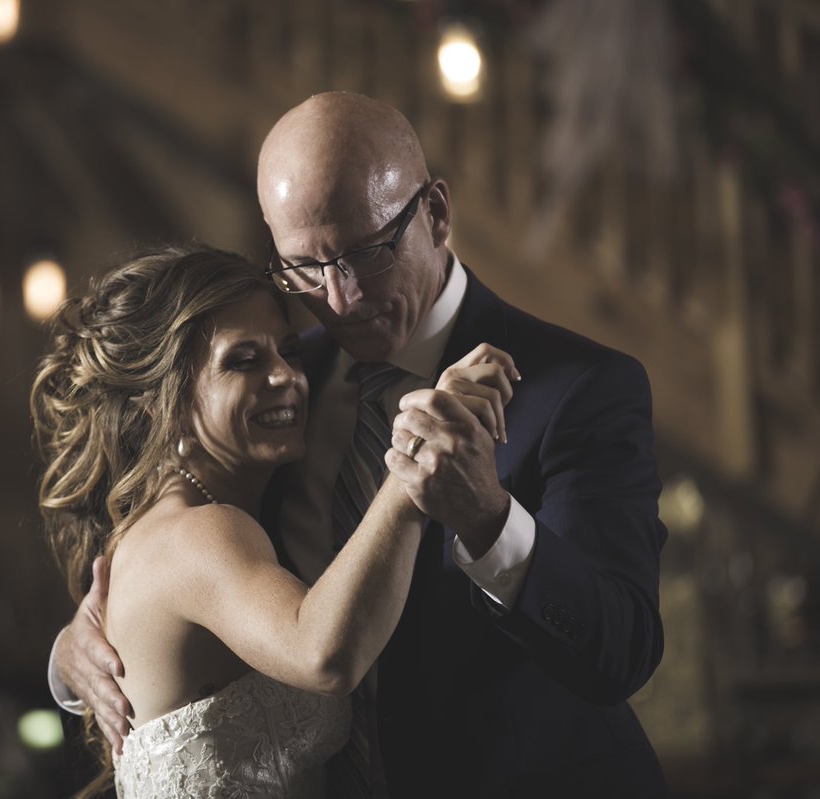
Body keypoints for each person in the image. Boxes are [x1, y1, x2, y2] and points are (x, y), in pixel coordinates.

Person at [51, 92, 668, 798]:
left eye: (366, 254)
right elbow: (194, 581)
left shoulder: (578, 388)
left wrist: (489, 519)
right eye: (304, 267)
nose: (340, 298)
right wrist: (79, 650)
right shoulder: (282, 393)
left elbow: (623, 651)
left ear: (436, 214)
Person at [32, 245, 516, 797]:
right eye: (244, 360)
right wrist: (415, 456)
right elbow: (324, 655)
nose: (287, 376)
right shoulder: (200, 530)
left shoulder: (200, 513)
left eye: (289, 351)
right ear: (158, 404)